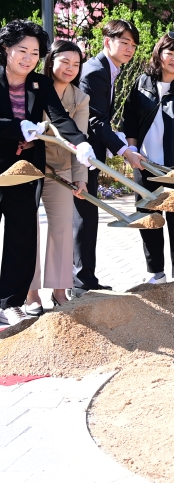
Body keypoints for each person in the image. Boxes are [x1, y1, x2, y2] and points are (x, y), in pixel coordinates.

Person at [0, 20, 94, 325]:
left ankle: (11, 301)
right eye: (21, 51)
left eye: (34, 53)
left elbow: (61, 119)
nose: (27, 58)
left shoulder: (39, 84)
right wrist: (16, 127)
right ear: (6, 49)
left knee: (22, 234)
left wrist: (80, 144)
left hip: (24, 170)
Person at [122, 32, 174, 284]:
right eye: (171, 53)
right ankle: (155, 273)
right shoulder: (141, 83)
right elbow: (130, 121)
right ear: (159, 54)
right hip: (145, 166)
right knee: (149, 221)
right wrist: (132, 150)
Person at [73, 19, 146, 297]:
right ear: (108, 42)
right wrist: (124, 150)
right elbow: (94, 121)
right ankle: (81, 281)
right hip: (82, 154)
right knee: (84, 216)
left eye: (133, 44)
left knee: (87, 215)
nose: (130, 49)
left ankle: (85, 278)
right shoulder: (95, 71)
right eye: (124, 42)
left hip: (90, 152)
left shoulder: (109, 70)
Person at [23, 41, 90, 315]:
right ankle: (31, 293)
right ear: (51, 60)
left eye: (76, 64)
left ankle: (60, 290)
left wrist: (80, 177)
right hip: (30, 167)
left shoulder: (81, 98)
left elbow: (80, 141)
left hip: (61, 170)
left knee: (62, 228)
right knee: (28, 229)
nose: (70, 69)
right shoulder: (35, 87)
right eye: (65, 62)